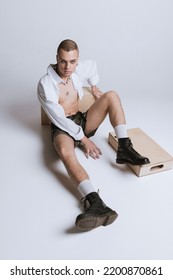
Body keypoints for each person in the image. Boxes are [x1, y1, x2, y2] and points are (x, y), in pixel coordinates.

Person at [37, 39, 150, 231]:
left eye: (72, 62)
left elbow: (94, 66)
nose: (67, 67)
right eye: (63, 61)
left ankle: (124, 147)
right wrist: (83, 139)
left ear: (77, 60)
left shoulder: (77, 69)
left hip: (81, 119)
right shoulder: (46, 84)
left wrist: (94, 85)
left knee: (112, 95)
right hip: (62, 127)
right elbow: (58, 118)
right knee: (65, 153)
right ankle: (95, 203)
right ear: (57, 58)